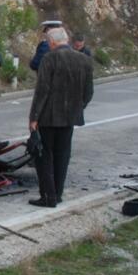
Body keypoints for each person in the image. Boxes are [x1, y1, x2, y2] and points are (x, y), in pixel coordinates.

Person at [27, 27, 94, 207]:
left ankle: (48, 196)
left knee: (44, 156)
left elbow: (42, 91)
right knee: (63, 156)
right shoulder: (84, 60)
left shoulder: (49, 58)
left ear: (52, 42)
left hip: (48, 116)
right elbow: (88, 93)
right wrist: (77, 108)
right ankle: (58, 194)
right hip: (70, 118)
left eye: (48, 42)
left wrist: (34, 118)